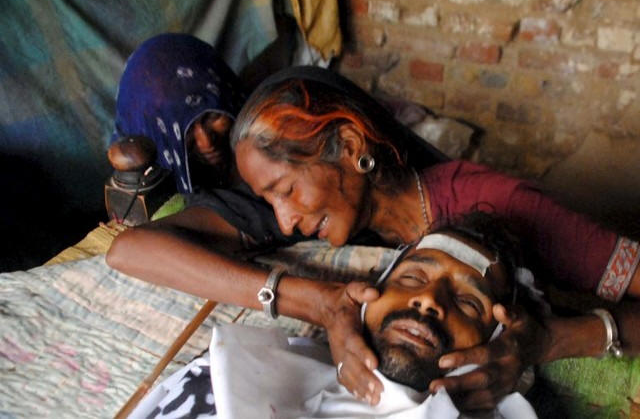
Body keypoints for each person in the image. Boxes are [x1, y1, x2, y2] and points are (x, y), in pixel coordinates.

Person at [106, 66, 640, 412]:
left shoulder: (503, 206)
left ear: (349, 145)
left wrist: (552, 341)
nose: (284, 221)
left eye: (286, 190)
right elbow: (129, 250)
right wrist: (319, 301)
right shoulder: (311, 211)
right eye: (270, 199)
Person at [128, 213, 541, 418]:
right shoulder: (220, 377)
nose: (429, 300)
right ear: (368, 295)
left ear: (497, 342)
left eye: (468, 303)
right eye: (412, 277)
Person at [112, 33, 246, 193]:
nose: (207, 143)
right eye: (182, 130)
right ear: (151, 132)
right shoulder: (137, 196)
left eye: (212, 116)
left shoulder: (263, 130)